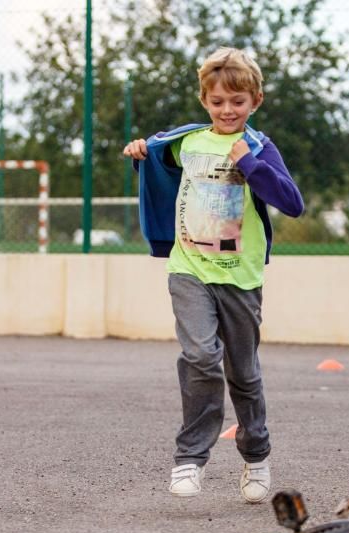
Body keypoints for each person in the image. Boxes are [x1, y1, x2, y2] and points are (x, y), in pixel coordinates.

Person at [122, 47, 305, 503]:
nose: (228, 110)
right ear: (205, 100)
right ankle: (189, 459)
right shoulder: (188, 141)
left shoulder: (259, 147)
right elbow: (156, 155)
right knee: (201, 356)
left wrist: (249, 163)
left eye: (238, 102)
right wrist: (140, 150)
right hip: (189, 270)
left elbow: (292, 202)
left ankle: (256, 455)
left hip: (240, 278)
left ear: (255, 101)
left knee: (242, 373)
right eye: (218, 101)